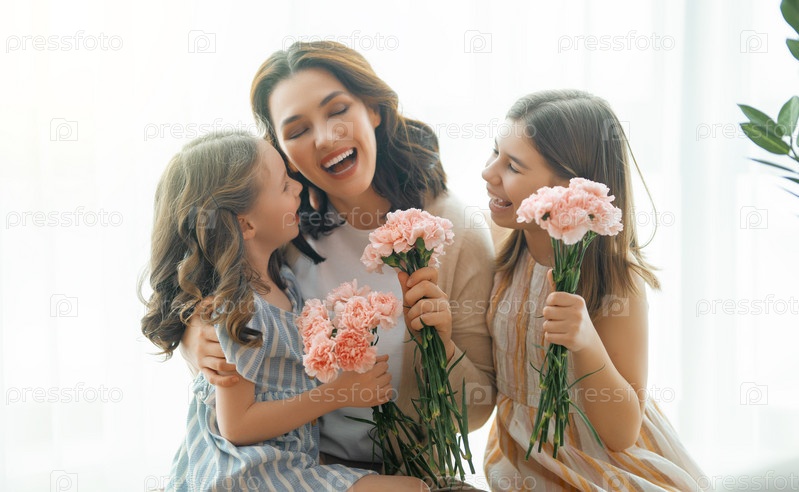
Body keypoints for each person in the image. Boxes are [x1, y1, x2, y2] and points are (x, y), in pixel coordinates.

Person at [180, 41, 496, 485]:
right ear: (281, 152)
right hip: (293, 469)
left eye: (338, 110)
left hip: (401, 473)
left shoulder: (452, 231)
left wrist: (439, 345)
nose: (326, 138)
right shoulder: (281, 231)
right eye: (297, 130)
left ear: (374, 109)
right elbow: (211, 296)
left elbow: (478, 411)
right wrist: (195, 341)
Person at [140, 130, 427, 491]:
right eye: (283, 185)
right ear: (246, 224)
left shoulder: (283, 280)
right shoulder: (236, 308)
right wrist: (340, 393)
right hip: (246, 473)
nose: (298, 187)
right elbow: (237, 426)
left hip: (286, 463)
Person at [481, 90, 706, 491]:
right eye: (495, 152)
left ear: (571, 189)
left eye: (512, 165)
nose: (488, 172)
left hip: (604, 470)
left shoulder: (617, 280)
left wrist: (586, 341)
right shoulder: (502, 245)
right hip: (524, 465)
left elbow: (622, 433)